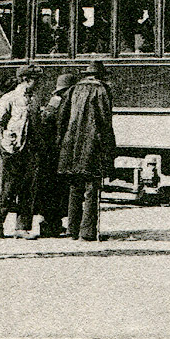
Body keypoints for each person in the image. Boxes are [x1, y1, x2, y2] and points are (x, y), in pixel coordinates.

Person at [57, 60, 115, 241]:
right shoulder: (102, 90)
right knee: (91, 189)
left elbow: (62, 118)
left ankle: (72, 230)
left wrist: (62, 141)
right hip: (91, 146)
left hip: (71, 146)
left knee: (75, 187)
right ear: (100, 75)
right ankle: (88, 232)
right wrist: (109, 148)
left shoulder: (73, 90)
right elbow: (105, 122)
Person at [0, 64, 44, 238]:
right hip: (12, 150)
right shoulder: (9, 98)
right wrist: (5, 142)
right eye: (35, 80)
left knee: (28, 189)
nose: (38, 83)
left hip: (30, 149)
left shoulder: (35, 99)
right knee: (8, 189)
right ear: (25, 79)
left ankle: (22, 228)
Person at [34, 73, 74, 237]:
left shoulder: (56, 101)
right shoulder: (57, 102)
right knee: (52, 189)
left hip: (52, 151)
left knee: (54, 190)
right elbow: (47, 124)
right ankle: (49, 225)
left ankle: (53, 224)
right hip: (52, 152)